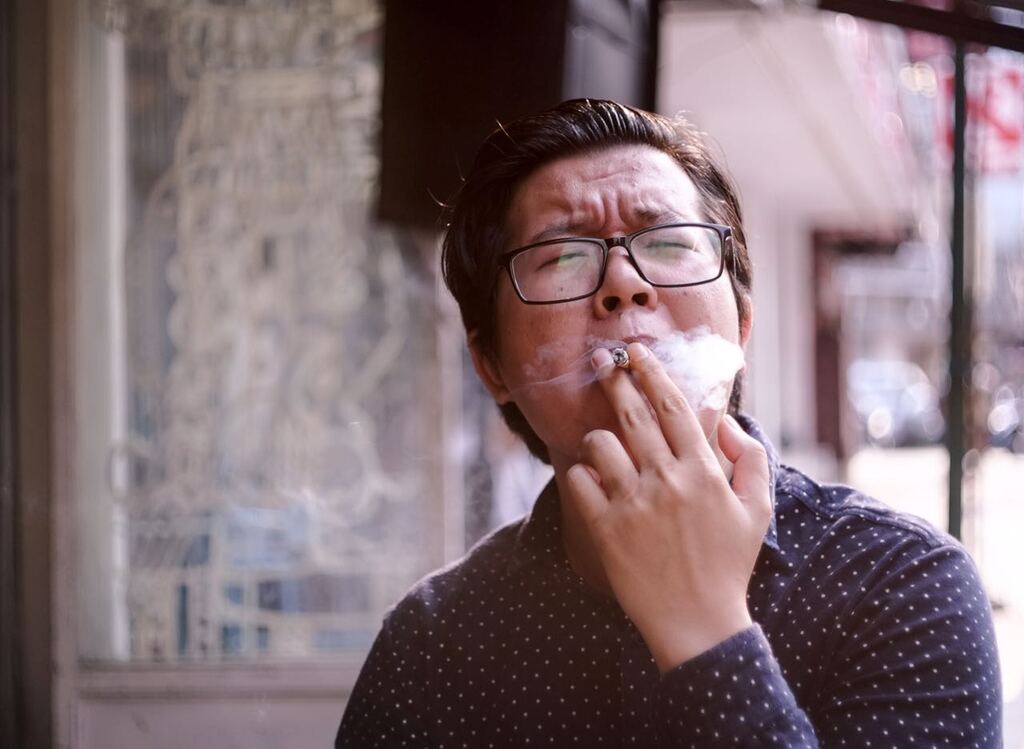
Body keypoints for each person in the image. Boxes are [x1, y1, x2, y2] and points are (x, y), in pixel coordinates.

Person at [335, 99, 1002, 746]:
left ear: (742, 324)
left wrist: (704, 627)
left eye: (669, 243)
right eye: (563, 256)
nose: (624, 282)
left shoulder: (901, 585)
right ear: (492, 366)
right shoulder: (430, 648)